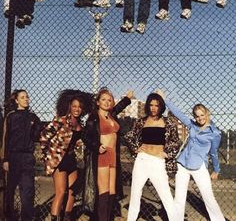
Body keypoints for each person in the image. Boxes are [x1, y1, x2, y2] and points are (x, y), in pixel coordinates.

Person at [157, 89, 226, 221]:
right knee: (179, 198)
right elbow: (179, 113)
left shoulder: (214, 133)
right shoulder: (192, 126)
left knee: (208, 198)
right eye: (197, 116)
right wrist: (164, 99)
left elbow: (213, 153)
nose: (200, 118)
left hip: (199, 166)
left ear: (207, 113)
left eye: (202, 115)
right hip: (183, 164)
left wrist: (216, 170)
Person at [123, 93, 181, 221]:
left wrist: (167, 153)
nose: (154, 108)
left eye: (157, 105)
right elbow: (128, 136)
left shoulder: (168, 122)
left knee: (166, 197)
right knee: (135, 195)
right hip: (142, 160)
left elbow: (176, 142)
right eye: (151, 105)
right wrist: (135, 149)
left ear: (161, 107)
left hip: (157, 162)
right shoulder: (141, 121)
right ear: (148, 106)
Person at [40, 89, 94, 221]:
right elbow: (43, 137)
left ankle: (67, 217)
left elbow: (73, 141)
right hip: (59, 161)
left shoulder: (80, 124)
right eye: (74, 106)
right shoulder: (61, 120)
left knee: (72, 192)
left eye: (79, 107)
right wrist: (47, 155)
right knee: (61, 192)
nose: (77, 109)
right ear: (69, 106)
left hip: (71, 160)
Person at [85, 88, 133, 221]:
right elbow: (86, 136)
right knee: (104, 191)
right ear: (98, 102)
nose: (107, 102)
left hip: (113, 156)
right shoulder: (94, 117)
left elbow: (118, 107)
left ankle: (107, 218)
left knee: (112, 191)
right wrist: (96, 146)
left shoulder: (111, 115)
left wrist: (127, 99)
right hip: (102, 155)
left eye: (109, 100)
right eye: (103, 100)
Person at [1, 89, 41, 221]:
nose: (26, 99)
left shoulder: (33, 117)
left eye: (27, 97)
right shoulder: (11, 116)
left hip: (27, 158)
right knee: (10, 190)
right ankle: (9, 216)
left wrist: (35, 128)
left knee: (27, 191)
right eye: (23, 97)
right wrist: (5, 159)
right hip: (13, 157)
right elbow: (5, 139)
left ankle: (27, 218)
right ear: (17, 100)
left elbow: (37, 136)